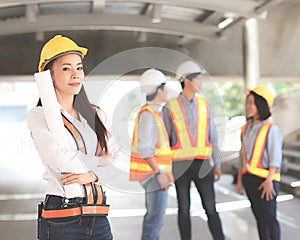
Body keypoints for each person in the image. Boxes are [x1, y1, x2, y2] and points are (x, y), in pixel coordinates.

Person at [27, 35, 115, 240]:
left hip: (99, 214)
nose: (75, 74)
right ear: (49, 76)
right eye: (66, 68)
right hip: (62, 216)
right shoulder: (38, 116)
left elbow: (117, 160)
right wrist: (101, 165)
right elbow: (60, 159)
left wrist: (92, 175)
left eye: (79, 68)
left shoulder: (97, 115)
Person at [163, 60, 225, 240]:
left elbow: (213, 137)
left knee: (211, 208)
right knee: (183, 209)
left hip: (203, 165)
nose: (201, 83)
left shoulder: (204, 105)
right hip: (180, 166)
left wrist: (217, 164)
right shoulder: (170, 106)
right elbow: (165, 140)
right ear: (187, 81)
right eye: (198, 79)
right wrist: (166, 170)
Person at [129, 69, 174, 240]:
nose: (167, 91)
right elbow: (145, 148)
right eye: (165, 87)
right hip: (153, 176)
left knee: (155, 220)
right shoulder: (148, 114)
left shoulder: (155, 113)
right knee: (154, 221)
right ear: (159, 90)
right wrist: (159, 173)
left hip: (155, 175)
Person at [236, 86, 282, 240]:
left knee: (270, 220)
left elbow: (275, 158)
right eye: (247, 102)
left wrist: (269, 180)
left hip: (266, 182)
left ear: (261, 105)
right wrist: (240, 181)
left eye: (252, 103)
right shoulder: (245, 128)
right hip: (250, 180)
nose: (248, 106)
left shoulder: (271, 128)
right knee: (260, 220)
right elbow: (242, 157)